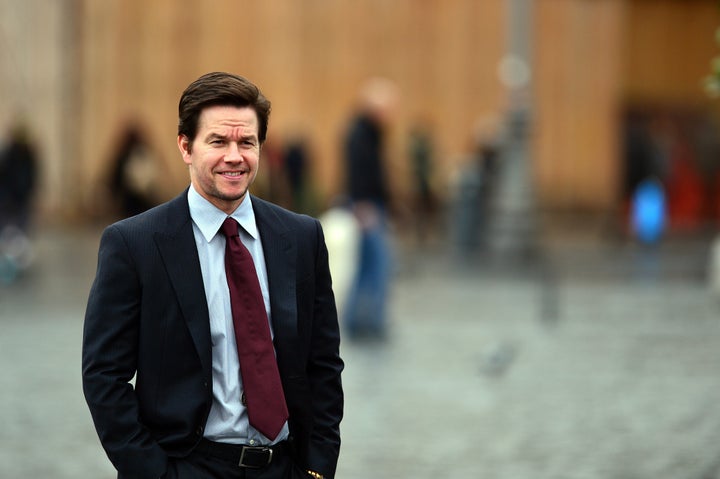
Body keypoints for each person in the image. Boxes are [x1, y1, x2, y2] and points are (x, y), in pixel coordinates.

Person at [82, 72, 344, 479]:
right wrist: (152, 471)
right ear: (185, 147)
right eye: (218, 142)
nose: (234, 156)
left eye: (247, 142)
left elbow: (323, 363)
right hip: (187, 465)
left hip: (285, 467)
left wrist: (319, 467)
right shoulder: (133, 244)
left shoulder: (302, 237)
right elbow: (104, 376)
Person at [342, 78, 398, 340]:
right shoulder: (361, 135)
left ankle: (359, 320)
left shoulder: (368, 133)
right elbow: (359, 173)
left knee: (367, 264)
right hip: (367, 205)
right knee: (377, 264)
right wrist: (363, 205)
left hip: (369, 203)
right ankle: (368, 321)